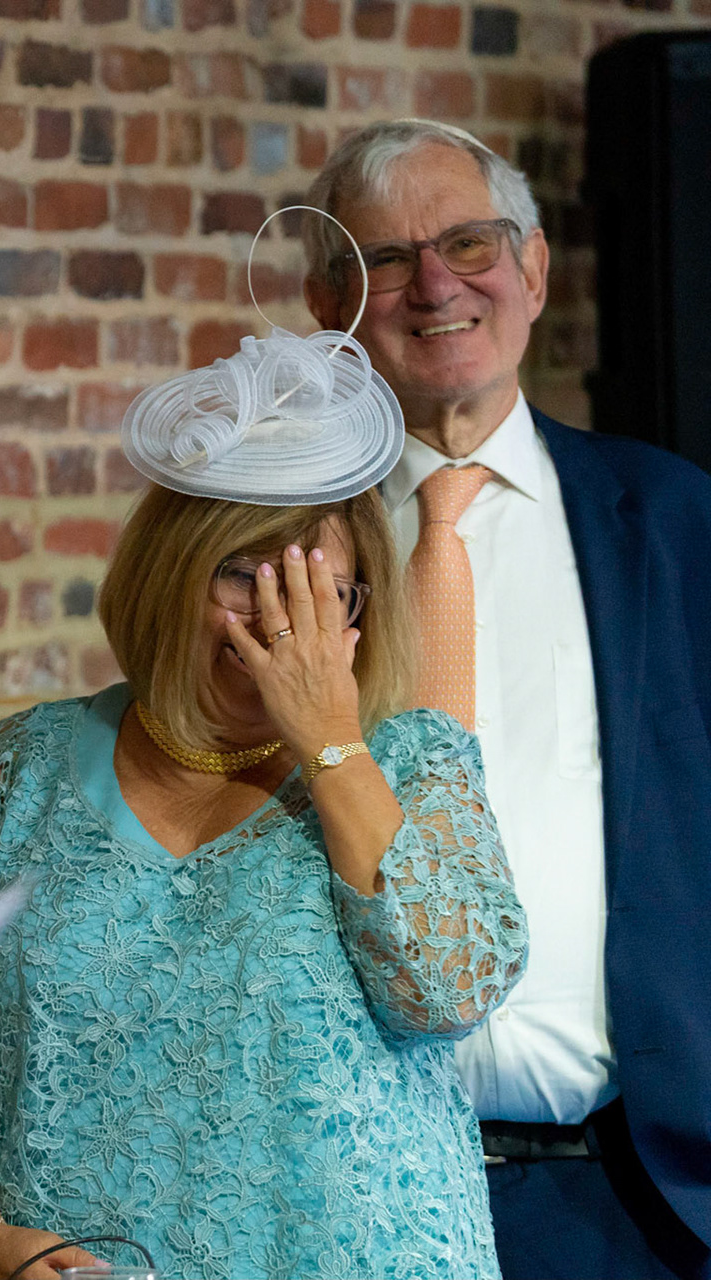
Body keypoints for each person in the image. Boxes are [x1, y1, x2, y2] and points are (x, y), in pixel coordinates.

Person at [0, 327, 528, 1280]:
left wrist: (329, 742)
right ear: (171, 570)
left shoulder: (416, 765)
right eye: (246, 574)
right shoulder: (8, 774)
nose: (281, 620)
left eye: (325, 592)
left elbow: (450, 991)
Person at [303, 118, 711, 1280]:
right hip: (350, 1200)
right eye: (385, 259)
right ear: (326, 297)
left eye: (470, 242)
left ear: (532, 269)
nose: (436, 284)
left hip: (642, 1202)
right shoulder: (276, 545)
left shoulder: (679, 523)